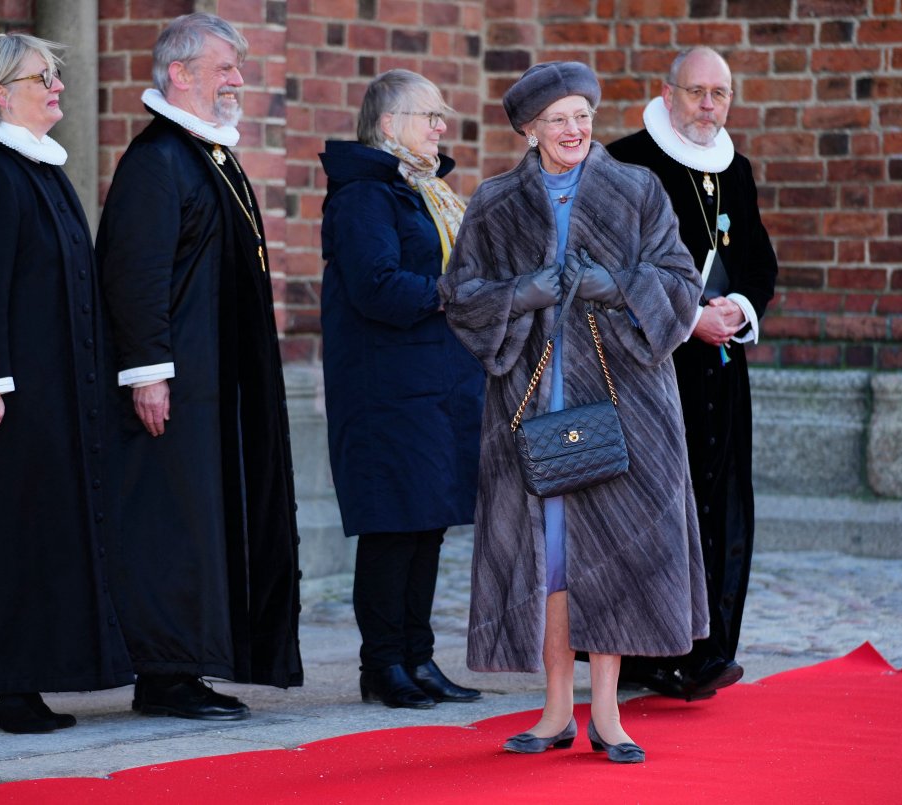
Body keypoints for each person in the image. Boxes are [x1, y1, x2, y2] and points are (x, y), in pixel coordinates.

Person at [439, 62, 708, 762]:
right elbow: (460, 295)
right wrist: (521, 294)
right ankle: (558, 708)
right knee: (552, 560)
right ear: (530, 129)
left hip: (625, 403)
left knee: (616, 549)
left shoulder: (637, 190)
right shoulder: (496, 204)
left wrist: (617, 286)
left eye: (582, 116)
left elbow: (681, 285)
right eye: (558, 119)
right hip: (532, 406)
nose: (574, 130)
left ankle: (609, 713)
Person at [96, 13, 303, 721]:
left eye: (239, 67)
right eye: (224, 68)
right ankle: (164, 674)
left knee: (203, 527)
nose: (238, 80)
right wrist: (147, 372)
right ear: (179, 73)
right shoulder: (157, 161)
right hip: (173, 388)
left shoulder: (207, 154)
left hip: (215, 387)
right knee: (172, 528)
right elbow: (135, 273)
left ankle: (193, 662)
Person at [0, 33, 134, 734]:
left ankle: (15, 681)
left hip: (52, 392)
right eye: (41, 77)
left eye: (56, 75)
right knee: (4, 537)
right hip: (8, 398)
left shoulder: (41, 170)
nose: (57, 86)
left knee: (36, 535)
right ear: (0, 93)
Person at [607, 46, 779, 701]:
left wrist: (738, 308)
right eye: (697, 91)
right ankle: (650, 651)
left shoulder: (736, 169)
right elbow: (615, 269)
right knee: (656, 509)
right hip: (652, 366)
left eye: (720, 93)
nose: (709, 105)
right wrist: (686, 320)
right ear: (668, 92)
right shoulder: (627, 162)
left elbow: (759, 262)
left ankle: (709, 648)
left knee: (721, 501)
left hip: (722, 368)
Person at [318, 70, 485, 710]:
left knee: (427, 526)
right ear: (389, 125)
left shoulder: (425, 191)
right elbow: (378, 287)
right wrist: (457, 294)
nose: (441, 127)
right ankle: (382, 665)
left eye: (442, 116)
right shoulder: (366, 195)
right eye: (429, 116)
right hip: (386, 391)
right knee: (393, 527)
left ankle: (419, 656)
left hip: (436, 385)